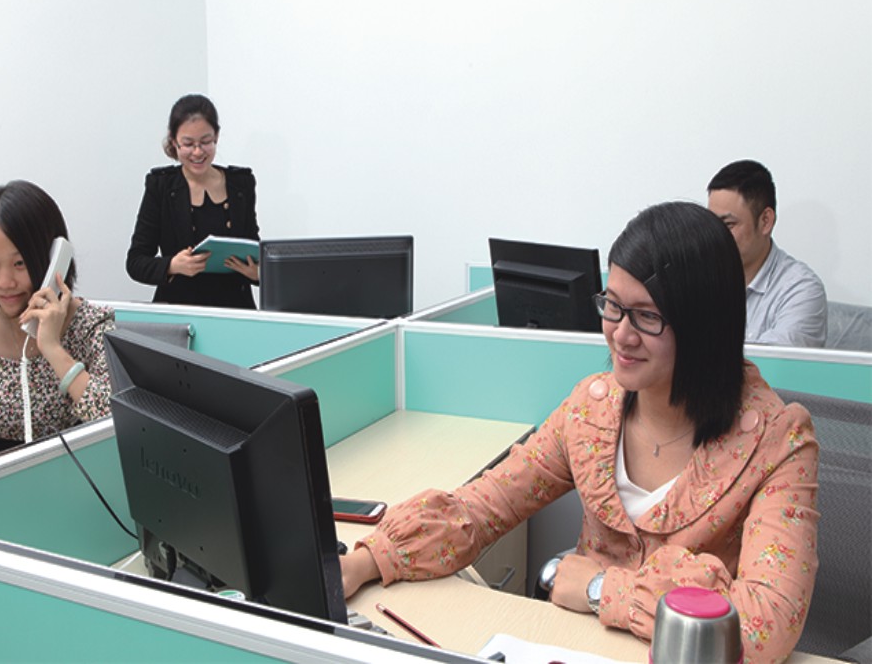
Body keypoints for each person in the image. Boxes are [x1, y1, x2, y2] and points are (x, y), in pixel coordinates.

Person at [340, 202, 819, 664]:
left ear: (703, 324)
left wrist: (600, 589)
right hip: (574, 648)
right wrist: (364, 562)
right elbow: (482, 507)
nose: (621, 335)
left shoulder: (778, 441)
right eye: (613, 306)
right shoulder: (593, 409)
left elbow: (766, 625)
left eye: (647, 316)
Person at [0, 180, 115, 456]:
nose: (4, 282)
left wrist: (52, 347)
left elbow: (115, 422)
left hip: (72, 471)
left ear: (53, 259)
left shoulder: (91, 325)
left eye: (20, 263)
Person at [126, 94, 260, 307]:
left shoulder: (241, 184)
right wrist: (172, 265)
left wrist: (258, 273)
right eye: (188, 144)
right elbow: (136, 262)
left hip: (235, 309)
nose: (198, 152)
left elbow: (254, 248)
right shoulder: (161, 186)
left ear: (216, 137)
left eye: (205, 142)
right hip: (179, 309)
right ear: (174, 142)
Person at [707, 159, 827, 347]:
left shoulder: (801, 289)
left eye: (728, 225)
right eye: (712, 224)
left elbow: (776, 361)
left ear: (765, 221)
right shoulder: (700, 275)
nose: (716, 235)